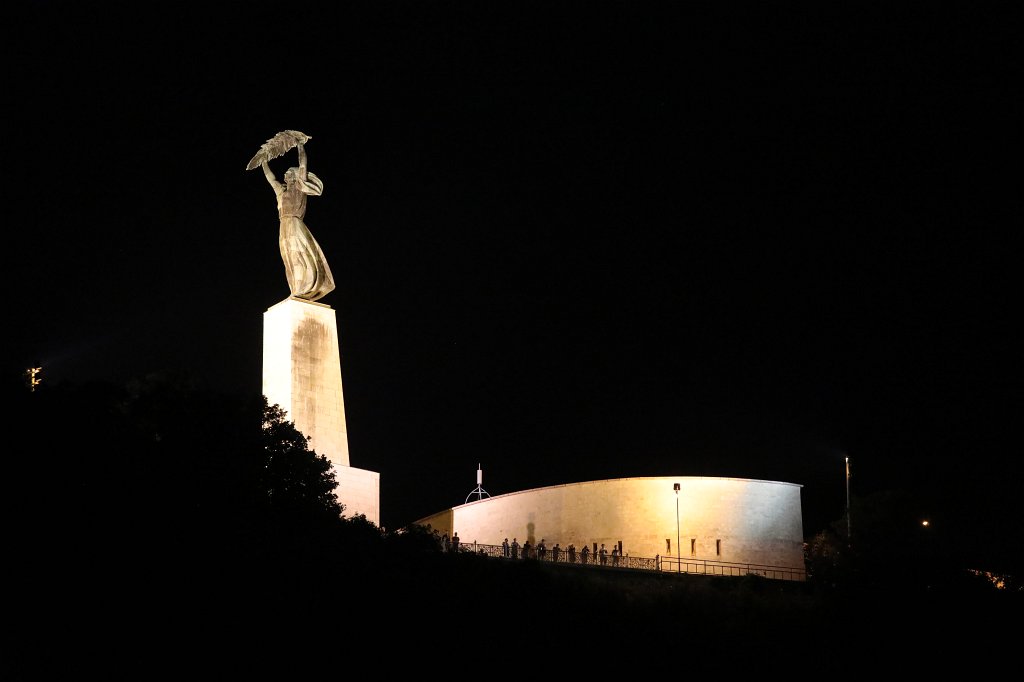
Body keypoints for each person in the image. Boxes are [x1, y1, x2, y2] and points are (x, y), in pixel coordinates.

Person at [259, 134, 335, 301]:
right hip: (284, 225)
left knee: (297, 255)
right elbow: (271, 179)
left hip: (295, 222)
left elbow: (303, 164)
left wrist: (300, 145)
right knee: (287, 257)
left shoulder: (299, 187)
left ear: (294, 175)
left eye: (288, 173)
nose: (285, 175)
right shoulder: (281, 191)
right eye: (285, 174)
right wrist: (264, 161)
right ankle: (295, 288)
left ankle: (304, 287)